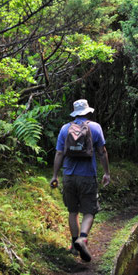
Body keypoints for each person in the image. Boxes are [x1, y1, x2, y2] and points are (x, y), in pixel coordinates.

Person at [50, 99, 110, 262]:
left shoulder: (65, 129)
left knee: (72, 211)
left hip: (69, 176)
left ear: (75, 112)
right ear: (88, 111)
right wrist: (106, 173)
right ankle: (82, 238)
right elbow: (102, 152)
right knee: (89, 211)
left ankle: (74, 245)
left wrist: (55, 176)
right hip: (87, 176)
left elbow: (59, 154)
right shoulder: (95, 127)